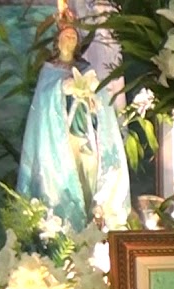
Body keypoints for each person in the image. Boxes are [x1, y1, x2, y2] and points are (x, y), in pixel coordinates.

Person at [15, 2, 130, 231]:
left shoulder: (87, 70)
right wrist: (62, 89)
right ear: (58, 41)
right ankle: (65, 234)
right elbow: (44, 108)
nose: (69, 41)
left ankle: (93, 227)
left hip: (85, 138)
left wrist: (89, 97)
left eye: (73, 38)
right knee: (63, 183)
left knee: (89, 179)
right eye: (65, 37)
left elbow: (102, 108)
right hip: (61, 143)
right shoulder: (49, 72)